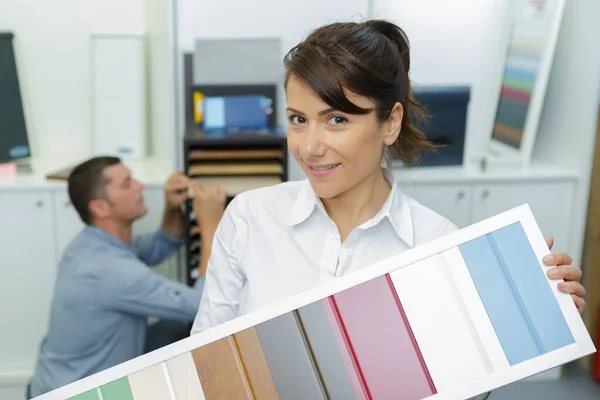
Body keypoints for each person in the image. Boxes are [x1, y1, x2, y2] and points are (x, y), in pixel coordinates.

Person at [28, 156, 226, 398]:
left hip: (55, 379)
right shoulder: (109, 271)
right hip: (75, 393)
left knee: (173, 331)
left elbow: (158, 246)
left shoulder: (93, 244)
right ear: (100, 207)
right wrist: (212, 225)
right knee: (189, 332)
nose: (139, 185)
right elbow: (202, 305)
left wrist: (172, 208)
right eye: (127, 183)